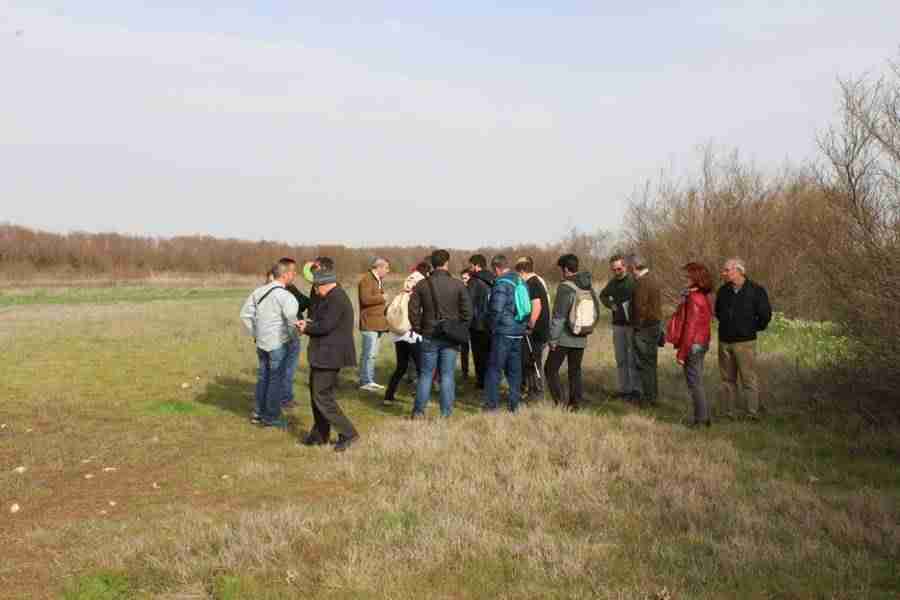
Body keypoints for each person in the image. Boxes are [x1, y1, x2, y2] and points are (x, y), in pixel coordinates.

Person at [297, 262, 360, 452]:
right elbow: (322, 321)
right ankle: (320, 434)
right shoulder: (332, 296)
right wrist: (309, 323)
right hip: (323, 354)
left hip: (330, 355)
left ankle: (348, 433)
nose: (315, 290)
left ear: (325, 284)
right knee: (317, 395)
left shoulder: (336, 299)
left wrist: (306, 327)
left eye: (316, 286)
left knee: (322, 396)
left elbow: (325, 326)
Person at [408, 249, 472, 418]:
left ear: (432, 264)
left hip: (429, 334)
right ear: (446, 263)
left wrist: (418, 328)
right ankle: (445, 414)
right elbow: (468, 313)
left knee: (426, 374)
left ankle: (419, 412)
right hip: (451, 336)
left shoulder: (422, 284)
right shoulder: (458, 284)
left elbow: (413, 310)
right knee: (447, 375)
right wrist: (459, 328)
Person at [239, 258, 300, 428]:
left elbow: (245, 314)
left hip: (261, 343)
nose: (294, 275)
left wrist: (256, 334)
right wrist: (292, 337)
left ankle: (258, 413)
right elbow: (291, 322)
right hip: (278, 345)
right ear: (286, 274)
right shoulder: (286, 296)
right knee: (275, 380)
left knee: (263, 377)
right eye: (293, 272)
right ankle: (271, 417)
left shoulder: (258, 292)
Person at [715, 257, 772, 420]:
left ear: (739, 270)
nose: (723, 273)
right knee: (727, 380)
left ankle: (752, 413)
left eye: (727, 270)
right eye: (724, 270)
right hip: (725, 341)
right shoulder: (723, 291)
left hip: (745, 342)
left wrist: (751, 329)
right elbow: (718, 312)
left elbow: (765, 315)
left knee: (748, 379)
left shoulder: (756, 290)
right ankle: (729, 413)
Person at [546, 254, 600, 411]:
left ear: (565, 269)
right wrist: (587, 327)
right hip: (581, 335)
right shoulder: (587, 285)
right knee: (575, 370)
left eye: (561, 269)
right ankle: (575, 404)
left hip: (563, 337)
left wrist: (552, 339)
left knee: (550, 369)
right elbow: (596, 310)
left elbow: (559, 316)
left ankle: (560, 403)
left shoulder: (565, 287)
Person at [671, 262, 714, 427]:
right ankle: (704, 418)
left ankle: (701, 420)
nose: (684, 278)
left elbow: (690, 327)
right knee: (697, 381)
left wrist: (682, 353)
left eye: (687, 276)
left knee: (694, 383)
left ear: (695, 278)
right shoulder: (699, 296)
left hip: (693, 344)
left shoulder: (694, 299)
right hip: (700, 343)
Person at [484, 255, 528, 412]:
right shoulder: (521, 281)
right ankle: (514, 405)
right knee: (515, 370)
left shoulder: (501, 283)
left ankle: (491, 405)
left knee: (494, 368)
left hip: (503, 332)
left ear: (496, 268)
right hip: (518, 331)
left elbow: (496, 309)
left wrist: (491, 327)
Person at [383, 263, 430, 405]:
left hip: (398, 334)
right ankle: (421, 400)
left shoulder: (403, 290)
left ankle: (388, 396)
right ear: (426, 273)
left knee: (401, 367)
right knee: (423, 369)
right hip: (412, 334)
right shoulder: (421, 286)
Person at [267, 263, 312, 410]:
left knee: (276, 369)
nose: (293, 275)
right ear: (283, 273)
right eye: (291, 271)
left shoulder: (265, 290)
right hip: (287, 334)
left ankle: (276, 399)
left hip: (273, 335)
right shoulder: (287, 289)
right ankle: (284, 399)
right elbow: (304, 303)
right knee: (286, 368)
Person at [600, 254, 640, 401]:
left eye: (619, 269)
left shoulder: (633, 281)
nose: (617, 272)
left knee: (632, 359)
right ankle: (624, 390)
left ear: (625, 267)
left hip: (631, 326)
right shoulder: (612, 282)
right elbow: (603, 295)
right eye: (613, 270)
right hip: (618, 325)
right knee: (620, 358)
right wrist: (611, 305)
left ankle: (635, 391)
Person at [628, 253, 663, 408]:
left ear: (635, 267)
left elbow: (639, 307)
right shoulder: (653, 278)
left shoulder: (642, 282)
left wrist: (636, 327)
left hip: (644, 328)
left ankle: (649, 398)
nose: (630, 271)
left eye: (631, 268)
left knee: (645, 365)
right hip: (654, 326)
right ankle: (653, 396)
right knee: (651, 364)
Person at [515, 257, 550, 400]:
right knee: (529, 361)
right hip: (537, 330)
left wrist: (530, 325)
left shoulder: (532, 283)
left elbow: (536, 306)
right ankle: (532, 391)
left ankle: (537, 393)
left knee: (534, 363)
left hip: (536, 332)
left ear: (523, 271)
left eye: (518, 273)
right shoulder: (535, 282)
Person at [358, 257, 391, 392]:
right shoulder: (366, 279)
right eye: (387, 268)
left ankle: (369, 380)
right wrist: (382, 298)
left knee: (373, 354)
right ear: (379, 267)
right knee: (368, 354)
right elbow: (365, 299)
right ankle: (365, 381)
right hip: (369, 323)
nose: (388, 271)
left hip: (377, 323)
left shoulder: (378, 280)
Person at [467, 254, 495, 389]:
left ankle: (481, 382)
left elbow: (468, 303)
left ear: (477, 265)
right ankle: (491, 381)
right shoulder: (495, 279)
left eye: (471, 265)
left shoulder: (474, 281)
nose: (470, 268)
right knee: (490, 353)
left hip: (477, 324)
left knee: (479, 355)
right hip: (492, 323)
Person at [459, 268, 473, 380]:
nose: (464, 280)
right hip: (463, 323)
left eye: (465, 278)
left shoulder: (474, 289)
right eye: (462, 278)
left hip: (474, 323)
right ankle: (465, 372)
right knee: (464, 349)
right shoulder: (460, 289)